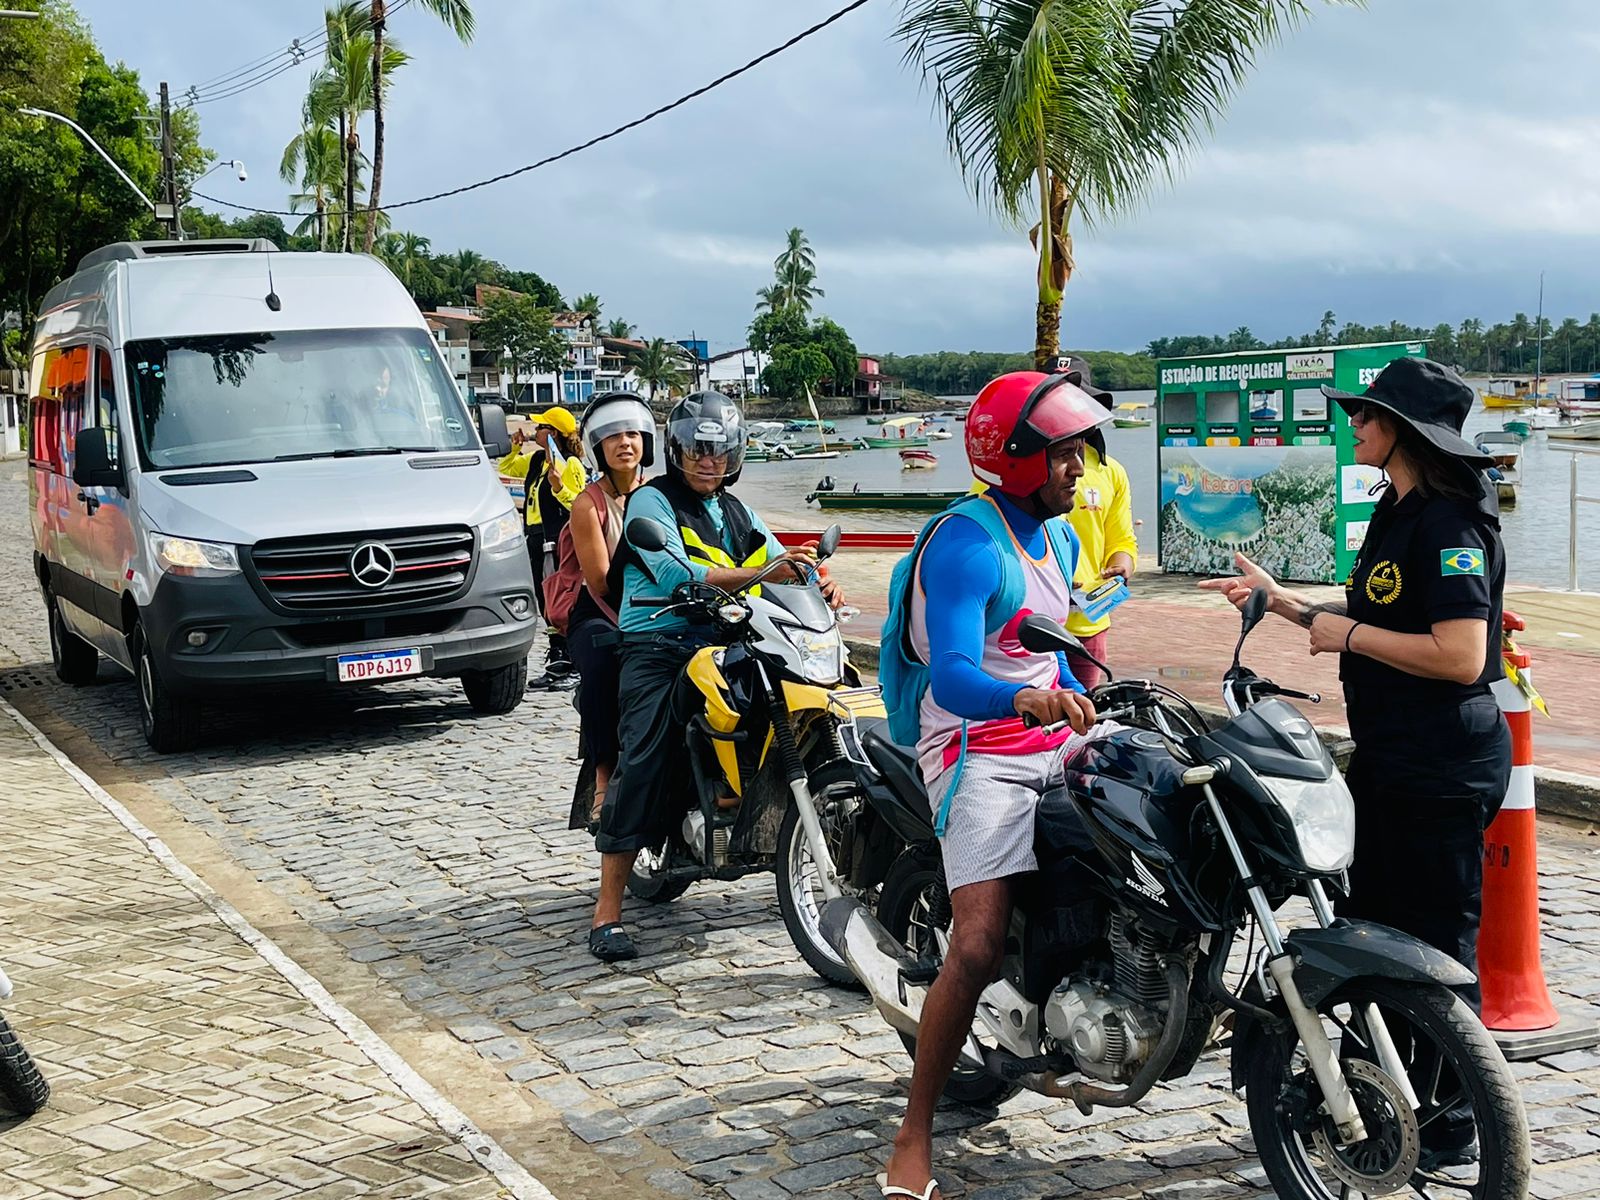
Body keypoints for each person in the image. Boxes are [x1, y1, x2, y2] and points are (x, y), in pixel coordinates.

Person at [1200, 357, 1506, 1167]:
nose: (1353, 426)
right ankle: (1390, 1095)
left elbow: (1459, 654)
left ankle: (1449, 1120)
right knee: (1378, 928)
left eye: (1365, 417)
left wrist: (1348, 635)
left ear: (1402, 430)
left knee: (1435, 940)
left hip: (1442, 760)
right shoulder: (1397, 512)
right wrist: (1286, 603)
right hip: (1391, 757)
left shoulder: (1450, 524)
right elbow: (1369, 614)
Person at [884, 371, 1110, 1200]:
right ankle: (914, 1132)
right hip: (977, 744)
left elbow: (1060, 641)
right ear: (1013, 458)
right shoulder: (967, 546)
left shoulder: (1062, 539)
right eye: (1061, 453)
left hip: (1054, 729)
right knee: (976, 942)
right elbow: (951, 675)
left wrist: (1094, 684)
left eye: (1080, 450)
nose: (1078, 466)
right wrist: (1024, 696)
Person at [587, 391, 844, 962]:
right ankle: (607, 911)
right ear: (675, 451)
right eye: (697, 449)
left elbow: (777, 564)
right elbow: (680, 571)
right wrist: (763, 571)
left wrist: (812, 579)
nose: (708, 460)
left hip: (723, 633)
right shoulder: (652, 505)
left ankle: (747, 803)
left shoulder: (737, 512)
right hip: (658, 642)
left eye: (720, 450)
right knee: (645, 756)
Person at [564, 392, 655, 831]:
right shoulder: (588, 505)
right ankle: (602, 778)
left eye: (633, 434)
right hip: (599, 608)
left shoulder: (659, 496)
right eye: (614, 435)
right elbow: (600, 581)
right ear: (597, 446)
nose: (625, 443)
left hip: (655, 604)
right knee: (603, 666)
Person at [1059, 356, 1137, 687]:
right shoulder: (1011, 468)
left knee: (1082, 725)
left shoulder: (1110, 471)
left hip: (1086, 626)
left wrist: (1121, 567)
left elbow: (1122, 541)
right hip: (1023, 628)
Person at [499, 408, 585, 686]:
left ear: (554, 434)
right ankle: (557, 659)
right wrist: (514, 449)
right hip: (535, 536)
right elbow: (506, 469)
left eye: (540, 428)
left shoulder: (570, 465)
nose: (534, 432)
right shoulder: (537, 460)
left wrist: (560, 488)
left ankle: (573, 661)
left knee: (562, 599)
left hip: (558, 539)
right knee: (544, 598)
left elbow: (579, 505)